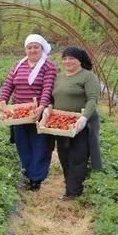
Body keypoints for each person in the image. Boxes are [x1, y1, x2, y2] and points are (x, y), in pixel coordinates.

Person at [0, 34, 58, 190]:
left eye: (36, 47)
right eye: (29, 47)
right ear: (25, 49)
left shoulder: (48, 66)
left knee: (40, 145)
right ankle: (27, 172)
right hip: (19, 112)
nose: (32, 50)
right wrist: (2, 99)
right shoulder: (19, 65)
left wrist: (42, 106)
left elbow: (47, 88)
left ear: (42, 48)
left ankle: (36, 179)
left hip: (39, 112)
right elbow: (8, 84)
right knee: (22, 144)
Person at [48, 46, 100, 198]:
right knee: (64, 156)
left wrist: (84, 118)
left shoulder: (88, 76)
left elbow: (92, 99)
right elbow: (52, 97)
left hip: (80, 124)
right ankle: (71, 185)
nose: (67, 61)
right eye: (64, 58)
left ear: (79, 60)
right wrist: (49, 107)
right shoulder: (59, 77)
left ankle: (73, 192)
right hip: (60, 124)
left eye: (71, 58)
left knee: (78, 157)